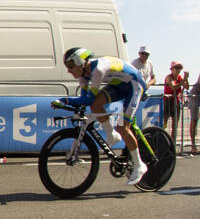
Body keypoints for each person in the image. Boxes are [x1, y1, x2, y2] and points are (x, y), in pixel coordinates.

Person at [59, 48, 150, 186]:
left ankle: (139, 166)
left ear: (80, 62)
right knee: (96, 105)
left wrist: (65, 100)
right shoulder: (83, 75)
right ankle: (111, 135)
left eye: (70, 65)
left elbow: (87, 100)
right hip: (118, 86)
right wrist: (67, 102)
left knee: (123, 127)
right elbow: (85, 98)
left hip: (134, 85)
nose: (68, 70)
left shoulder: (98, 70)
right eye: (67, 66)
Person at [162, 62, 184, 151]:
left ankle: (172, 144)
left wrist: (185, 79)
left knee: (175, 125)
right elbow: (173, 87)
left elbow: (186, 86)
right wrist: (182, 82)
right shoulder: (168, 77)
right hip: (167, 101)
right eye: (176, 68)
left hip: (176, 101)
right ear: (172, 69)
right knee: (164, 123)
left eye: (179, 68)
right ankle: (162, 142)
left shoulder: (180, 78)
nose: (178, 70)